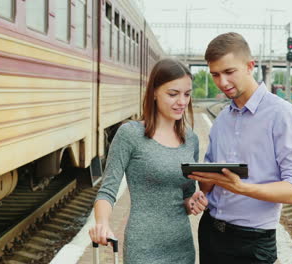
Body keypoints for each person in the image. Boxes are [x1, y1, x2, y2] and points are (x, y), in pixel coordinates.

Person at [188, 32, 292, 264]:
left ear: (250, 66)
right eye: (215, 74)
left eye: (229, 72)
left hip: (252, 243)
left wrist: (241, 187)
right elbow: (208, 187)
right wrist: (203, 180)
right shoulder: (222, 119)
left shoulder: (282, 115)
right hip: (210, 232)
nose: (222, 82)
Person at [89, 58, 208, 264]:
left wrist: (193, 203)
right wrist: (102, 223)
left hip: (182, 248)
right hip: (143, 249)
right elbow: (107, 191)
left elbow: (186, 197)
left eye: (187, 94)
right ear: (154, 92)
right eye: (173, 94)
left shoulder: (191, 139)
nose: (182, 101)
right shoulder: (130, 134)